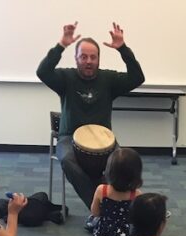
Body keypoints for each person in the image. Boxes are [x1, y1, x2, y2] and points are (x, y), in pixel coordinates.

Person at [37, 21, 145, 213]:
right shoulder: (65, 78)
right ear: (76, 58)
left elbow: (138, 78)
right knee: (68, 161)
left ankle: (127, 208)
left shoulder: (108, 80)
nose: (88, 61)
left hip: (105, 140)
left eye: (93, 57)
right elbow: (42, 72)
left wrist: (122, 49)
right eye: (84, 56)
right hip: (69, 137)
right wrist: (61, 44)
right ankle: (99, 211)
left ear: (98, 59)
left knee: (123, 163)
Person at [89, 147, 142, 236]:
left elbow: (95, 212)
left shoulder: (102, 190)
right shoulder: (137, 195)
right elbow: (138, 220)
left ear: (109, 171)